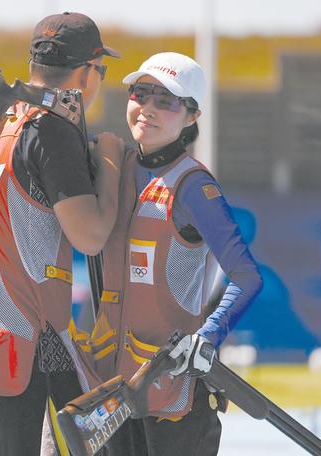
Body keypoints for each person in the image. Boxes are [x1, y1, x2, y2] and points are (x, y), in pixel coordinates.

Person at [0, 11, 125, 456]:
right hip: (21, 352)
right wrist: (110, 160)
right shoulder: (49, 128)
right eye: (102, 70)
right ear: (86, 72)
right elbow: (91, 235)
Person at [95, 53, 263, 455]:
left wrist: (208, 336)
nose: (148, 108)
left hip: (173, 391)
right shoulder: (110, 164)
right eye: (142, 93)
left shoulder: (192, 185)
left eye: (166, 101)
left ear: (191, 116)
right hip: (109, 390)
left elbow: (246, 276)